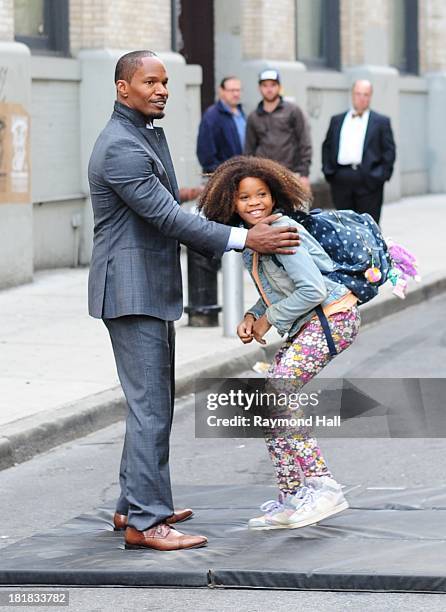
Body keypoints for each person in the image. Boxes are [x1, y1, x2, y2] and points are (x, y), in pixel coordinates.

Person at [87, 50, 301, 551]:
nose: (162, 90)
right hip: (131, 290)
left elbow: (162, 200)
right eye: (150, 82)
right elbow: (166, 218)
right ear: (123, 89)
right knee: (150, 408)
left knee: (152, 402)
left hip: (149, 287)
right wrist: (245, 239)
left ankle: (132, 503)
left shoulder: (144, 133)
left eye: (165, 82)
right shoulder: (121, 144)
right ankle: (147, 520)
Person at [198, 156, 361, 530]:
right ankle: (292, 496)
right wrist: (253, 316)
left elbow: (312, 289)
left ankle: (323, 486)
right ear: (230, 203)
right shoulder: (257, 241)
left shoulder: (281, 232)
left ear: (275, 196)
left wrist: (269, 319)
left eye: (262, 194)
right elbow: (278, 290)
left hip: (333, 317)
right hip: (313, 321)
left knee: (279, 390)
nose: (255, 202)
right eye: (244, 198)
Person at [322, 79, 396, 224]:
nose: (361, 98)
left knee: (369, 226)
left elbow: (389, 152)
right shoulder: (336, 120)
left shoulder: (381, 122)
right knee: (343, 226)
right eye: (358, 94)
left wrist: (381, 176)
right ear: (352, 95)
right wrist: (329, 172)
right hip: (341, 178)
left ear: (371, 96)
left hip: (368, 179)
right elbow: (327, 146)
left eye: (366, 95)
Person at [245, 69, 312, 192]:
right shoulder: (253, 117)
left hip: (291, 173)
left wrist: (304, 173)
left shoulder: (293, 111)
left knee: (294, 210)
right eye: (265, 85)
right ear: (259, 88)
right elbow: (249, 150)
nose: (269, 89)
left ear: (279, 87)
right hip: (263, 175)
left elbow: (304, 141)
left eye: (273, 85)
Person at [196, 76, 246, 173]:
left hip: (242, 173)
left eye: (238, 90)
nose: (236, 94)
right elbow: (206, 155)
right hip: (225, 176)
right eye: (231, 90)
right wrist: (221, 173)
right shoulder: (211, 116)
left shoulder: (241, 113)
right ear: (221, 91)